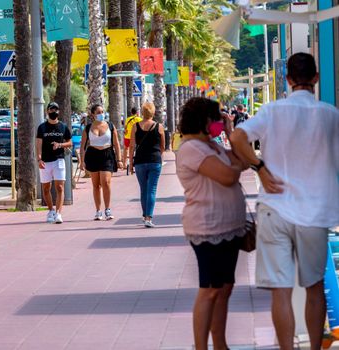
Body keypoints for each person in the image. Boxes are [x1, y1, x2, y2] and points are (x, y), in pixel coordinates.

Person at [230, 52, 339, 350]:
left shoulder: (272, 111)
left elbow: (237, 137)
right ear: (316, 78)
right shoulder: (331, 115)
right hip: (315, 213)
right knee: (314, 287)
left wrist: (260, 168)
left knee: (281, 290)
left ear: (288, 80)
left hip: (275, 209)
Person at [176, 97, 247, 350]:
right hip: (208, 229)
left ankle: (220, 344)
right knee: (210, 289)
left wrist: (230, 133)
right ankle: (201, 346)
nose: (219, 123)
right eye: (217, 119)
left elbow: (244, 161)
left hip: (230, 228)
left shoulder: (212, 145)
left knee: (225, 287)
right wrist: (236, 164)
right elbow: (228, 175)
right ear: (204, 120)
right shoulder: (192, 148)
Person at [80, 104, 123, 220]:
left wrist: (119, 160)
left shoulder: (110, 126)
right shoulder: (88, 128)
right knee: (96, 185)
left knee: (106, 182)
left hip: (107, 154)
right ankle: (98, 211)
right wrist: (81, 162)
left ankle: (108, 209)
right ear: (93, 114)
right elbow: (83, 145)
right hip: (93, 155)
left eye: (102, 111)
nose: (101, 114)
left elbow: (117, 144)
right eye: (98, 112)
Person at [128, 102, 165, 228]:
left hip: (140, 161)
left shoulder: (135, 126)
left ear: (142, 113)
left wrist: (131, 162)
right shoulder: (159, 127)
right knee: (152, 189)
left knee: (143, 190)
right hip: (155, 161)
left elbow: (132, 146)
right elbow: (162, 146)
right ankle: (148, 217)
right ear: (153, 112)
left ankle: (145, 216)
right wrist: (161, 158)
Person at [36, 102, 72, 224]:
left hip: (59, 160)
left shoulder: (63, 127)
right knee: (46, 188)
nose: (54, 112)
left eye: (56, 110)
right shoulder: (42, 128)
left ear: (59, 112)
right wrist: (39, 159)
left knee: (60, 187)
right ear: (47, 111)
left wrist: (60, 145)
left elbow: (70, 142)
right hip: (45, 162)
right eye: (51, 110)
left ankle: (58, 213)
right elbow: (38, 144)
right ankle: (51, 210)